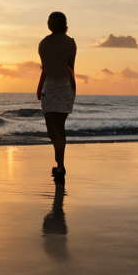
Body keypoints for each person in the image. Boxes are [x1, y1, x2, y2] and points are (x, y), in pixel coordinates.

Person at [37, 12, 76, 178]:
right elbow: (70, 68)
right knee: (58, 127)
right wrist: (73, 88)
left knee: (53, 129)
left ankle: (60, 164)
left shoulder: (43, 43)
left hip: (53, 86)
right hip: (64, 86)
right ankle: (60, 164)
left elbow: (46, 69)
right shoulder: (70, 43)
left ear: (51, 24)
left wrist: (39, 87)